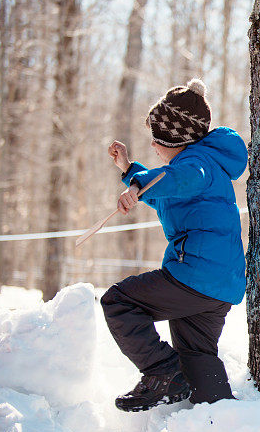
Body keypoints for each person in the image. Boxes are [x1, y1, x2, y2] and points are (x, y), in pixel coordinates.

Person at [101, 79, 248, 412]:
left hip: (195, 274)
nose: (153, 146)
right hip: (216, 286)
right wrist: (129, 171)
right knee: (196, 357)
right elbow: (171, 193)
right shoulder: (203, 165)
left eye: (157, 139)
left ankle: (163, 373)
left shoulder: (196, 166)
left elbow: (178, 179)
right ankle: (222, 421)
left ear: (176, 140)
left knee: (118, 302)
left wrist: (139, 185)